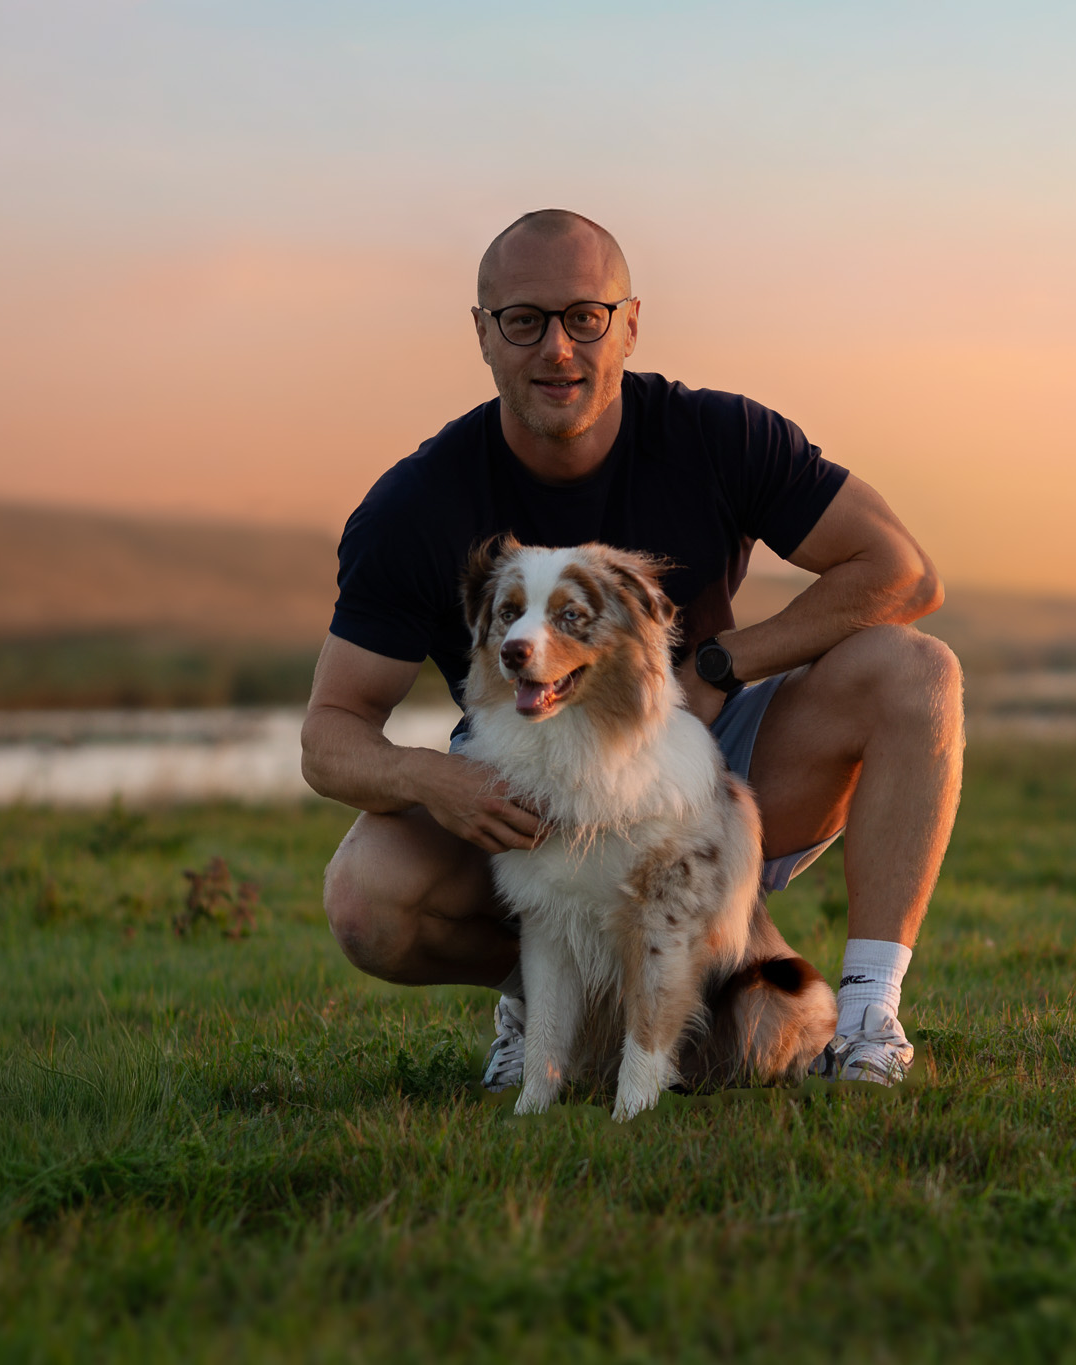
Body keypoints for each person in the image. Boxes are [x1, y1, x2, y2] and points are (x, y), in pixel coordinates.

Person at [303, 209, 963, 1086]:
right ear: (483, 335)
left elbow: (901, 570)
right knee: (366, 895)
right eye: (524, 320)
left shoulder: (718, 436)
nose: (558, 349)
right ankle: (556, 1005)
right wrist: (435, 781)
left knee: (918, 671)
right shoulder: (415, 506)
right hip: (526, 792)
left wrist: (722, 665)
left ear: (631, 323)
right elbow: (329, 735)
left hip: (707, 768)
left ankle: (867, 1017)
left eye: (586, 317)